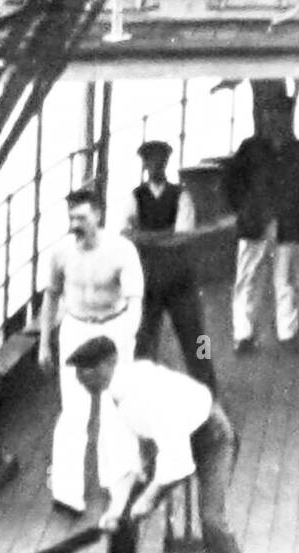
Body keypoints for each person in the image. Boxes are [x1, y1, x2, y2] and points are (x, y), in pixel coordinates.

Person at [65, 335, 265, 553]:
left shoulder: (147, 393)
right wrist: (117, 509)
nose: (82, 380)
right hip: (174, 441)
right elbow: (126, 461)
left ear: (108, 365)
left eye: (87, 372)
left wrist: (149, 498)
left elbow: (176, 460)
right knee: (126, 502)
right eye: (79, 374)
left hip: (212, 438)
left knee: (211, 519)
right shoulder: (113, 395)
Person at [38, 186, 145, 515]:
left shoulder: (122, 251)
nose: (75, 224)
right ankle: (68, 494)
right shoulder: (60, 254)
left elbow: (134, 300)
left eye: (81, 217)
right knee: (74, 410)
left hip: (112, 327)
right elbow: (51, 297)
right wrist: (44, 343)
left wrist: (126, 337)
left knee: (115, 408)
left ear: (98, 215)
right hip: (76, 327)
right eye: (71, 218)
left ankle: (119, 482)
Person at [119, 139, 216, 393]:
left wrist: (146, 237)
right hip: (148, 281)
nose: (155, 165)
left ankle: (209, 387)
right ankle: (138, 392)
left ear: (166, 162)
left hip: (179, 278)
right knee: (142, 340)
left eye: (160, 160)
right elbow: (126, 234)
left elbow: (183, 235)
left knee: (198, 336)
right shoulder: (135, 196)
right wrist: (164, 235)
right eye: (150, 160)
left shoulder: (181, 194)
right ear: (145, 164)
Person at [223, 96, 299, 354]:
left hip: (288, 226)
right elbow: (231, 183)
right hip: (254, 223)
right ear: (263, 117)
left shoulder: (298, 150)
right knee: (248, 279)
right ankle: (244, 334)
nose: (274, 119)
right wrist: (245, 210)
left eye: (280, 114)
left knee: (287, 280)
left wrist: (296, 215)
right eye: (270, 113)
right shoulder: (249, 149)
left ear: (288, 118)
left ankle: (288, 333)